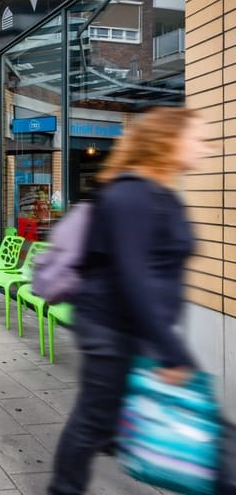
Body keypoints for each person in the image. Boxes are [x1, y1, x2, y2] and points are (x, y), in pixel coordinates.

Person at [48, 107, 234, 494]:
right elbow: (135, 278)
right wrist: (171, 352)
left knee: (102, 416)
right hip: (112, 329)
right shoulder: (131, 195)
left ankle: (121, 442)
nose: (207, 148)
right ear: (167, 142)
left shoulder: (160, 193)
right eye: (198, 139)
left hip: (133, 328)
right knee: (91, 421)